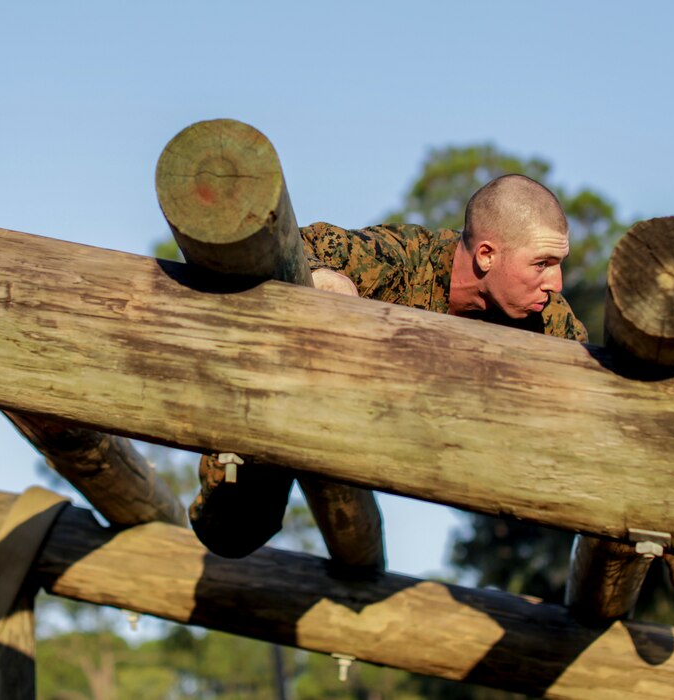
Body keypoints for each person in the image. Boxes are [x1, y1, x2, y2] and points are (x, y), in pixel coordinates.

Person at [190, 174, 588, 558]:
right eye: (542, 263)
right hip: (294, 417)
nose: (556, 282)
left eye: (559, 263)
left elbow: (595, 390)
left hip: (412, 452)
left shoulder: (546, 319)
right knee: (233, 531)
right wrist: (324, 277)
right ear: (486, 254)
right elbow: (302, 244)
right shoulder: (403, 261)